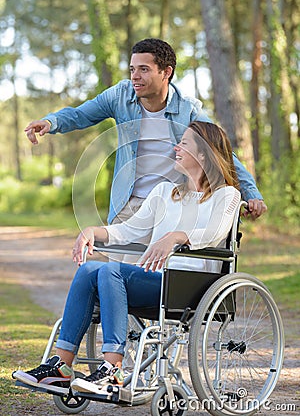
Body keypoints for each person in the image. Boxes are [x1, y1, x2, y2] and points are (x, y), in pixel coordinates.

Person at [13, 121, 241, 395]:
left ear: (204, 154)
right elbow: (129, 230)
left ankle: (113, 369)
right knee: (90, 270)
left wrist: (175, 236)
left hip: (191, 286)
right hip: (156, 281)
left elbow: (214, 233)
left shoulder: (227, 195)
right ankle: (61, 366)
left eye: (184, 143)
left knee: (112, 271)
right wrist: (93, 231)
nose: (176, 147)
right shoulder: (165, 193)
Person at [24, 38, 266, 222]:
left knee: (162, 284)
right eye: (132, 69)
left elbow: (223, 154)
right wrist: (50, 122)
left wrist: (251, 192)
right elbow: (80, 115)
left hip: (174, 207)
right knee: (118, 275)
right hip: (128, 205)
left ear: (166, 72)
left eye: (144, 69)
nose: (135, 77)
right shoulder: (119, 96)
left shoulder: (188, 110)